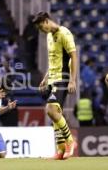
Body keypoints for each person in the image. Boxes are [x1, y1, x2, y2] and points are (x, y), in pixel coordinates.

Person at [32, 12, 77, 160]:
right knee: (56, 115)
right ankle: (60, 149)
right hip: (52, 79)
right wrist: (45, 78)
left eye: (40, 26)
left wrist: (72, 80)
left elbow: (74, 57)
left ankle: (70, 141)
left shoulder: (64, 33)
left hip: (62, 78)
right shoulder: (49, 36)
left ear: (46, 21)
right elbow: (53, 60)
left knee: (50, 110)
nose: (41, 30)